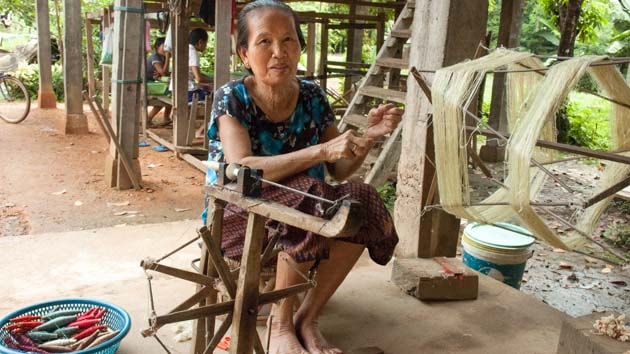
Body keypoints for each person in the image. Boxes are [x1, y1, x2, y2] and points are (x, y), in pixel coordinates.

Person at [205, 1, 403, 353]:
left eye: (289, 40)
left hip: (311, 208)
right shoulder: (231, 98)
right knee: (314, 197)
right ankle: (279, 326)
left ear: (299, 47)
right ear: (244, 54)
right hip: (240, 216)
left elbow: (339, 169)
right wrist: (320, 152)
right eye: (264, 42)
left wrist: (368, 138)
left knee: (362, 200)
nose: (279, 52)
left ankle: (307, 319)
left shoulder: (311, 96)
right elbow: (242, 170)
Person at [146, 37, 172, 123]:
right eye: (164, 46)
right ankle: (149, 118)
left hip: (152, 83)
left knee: (170, 93)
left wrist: (162, 73)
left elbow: (165, 72)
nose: (166, 49)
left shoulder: (162, 57)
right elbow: (163, 73)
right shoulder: (155, 57)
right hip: (146, 85)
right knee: (167, 95)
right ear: (157, 47)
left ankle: (166, 118)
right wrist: (168, 58)